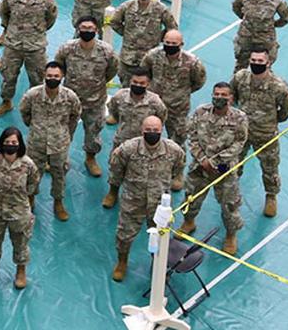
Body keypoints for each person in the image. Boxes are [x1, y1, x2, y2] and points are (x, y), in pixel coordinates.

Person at [107, 116, 184, 281]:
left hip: (159, 204)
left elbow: (178, 168)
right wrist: (116, 187)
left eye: (156, 130)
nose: (152, 133)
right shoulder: (128, 148)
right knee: (124, 235)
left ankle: (159, 264)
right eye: (148, 130)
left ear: (161, 130)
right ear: (142, 130)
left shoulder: (173, 150)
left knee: (162, 236)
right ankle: (122, 262)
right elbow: (116, 167)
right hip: (133, 199)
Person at [178, 82, 249, 255]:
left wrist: (215, 162)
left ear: (231, 98)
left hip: (224, 168)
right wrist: (203, 160)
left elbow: (239, 143)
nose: (219, 97)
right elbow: (192, 136)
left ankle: (231, 235)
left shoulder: (239, 118)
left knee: (229, 204)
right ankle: (189, 222)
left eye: (224, 95)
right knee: (191, 197)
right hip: (199, 166)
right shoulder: (200, 112)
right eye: (216, 94)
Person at [231, 48, 288, 217]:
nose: (256, 64)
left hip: (266, 133)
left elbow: (287, 107)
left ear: (268, 63)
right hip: (242, 131)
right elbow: (233, 95)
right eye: (254, 60)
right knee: (234, 163)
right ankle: (230, 192)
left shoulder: (278, 86)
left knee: (270, 167)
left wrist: (273, 121)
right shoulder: (241, 77)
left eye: (260, 62)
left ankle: (271, 196)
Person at [141, 29, 206, 190]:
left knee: (177, 140)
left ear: (181, 45)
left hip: (178, 108)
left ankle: (177, 173)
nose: (169, 46)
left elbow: (198, 82)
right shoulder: (153, 55)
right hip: (154, 105)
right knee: (146, 136)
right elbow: (145, 73)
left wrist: (181, 93)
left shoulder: (192, 62)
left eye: (173, 44)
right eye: (167, 43)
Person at [55, 16, 119, 178]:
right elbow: (59, 67)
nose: (87, 31)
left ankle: (90, 159)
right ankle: (60, 159)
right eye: (83, 28)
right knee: (63, 131)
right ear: (77, 29)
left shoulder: (106, 52)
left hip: (95, 101)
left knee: (93, 133)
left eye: (91, 28)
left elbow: (111, 71)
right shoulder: (67, 49)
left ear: (97, 30)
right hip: (70, 100)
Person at [19, 61, 81, 221]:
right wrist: (35, 128)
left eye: (56, 76)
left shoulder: (70, 97)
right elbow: (24, 113)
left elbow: (75, 117)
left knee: (59, 173)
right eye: (49, 76)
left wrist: (66, 134)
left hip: (59, 144)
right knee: (33, 173)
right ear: (44, 76)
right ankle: (30, 198)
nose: (52, 79)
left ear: (62, 77)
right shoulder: (32, 95)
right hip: (36, 142)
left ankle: (58, 202)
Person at [0, 127, 39, 289]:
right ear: (1, 143)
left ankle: (20, 271)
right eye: (7, 142)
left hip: (18, 212)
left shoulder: (28, 165)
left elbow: (33, 184)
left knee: (20, 242)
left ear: (20, 144)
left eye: (14, 142)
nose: (10, 145)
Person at [0, 0, 58, 117]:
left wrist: (38, 32)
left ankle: (35, 106)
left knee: (37, 78)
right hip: (13, 45)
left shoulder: (46, 0)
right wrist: (10, 29)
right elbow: (3, 14)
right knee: (8, 76)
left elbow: (51, 19)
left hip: (35, 47)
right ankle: (6, 102)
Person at [110, 0, 177, 86]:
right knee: (126, 89)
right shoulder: (127, 6)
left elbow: (172, 28)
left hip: (151, 59)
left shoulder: (160, 9)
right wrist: (127, 34)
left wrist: (158, 38)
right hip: (128, 58)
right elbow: (114, 22)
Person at [232, 0, 288, 71]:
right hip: (246, 37)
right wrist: (243, 17)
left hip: (265, 39)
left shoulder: (276, 1)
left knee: (265, 67)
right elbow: (236, 6)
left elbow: (286, 18)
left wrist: (273, 24)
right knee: (240, 65)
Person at [106, 68, 167, 153]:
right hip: (122, 141)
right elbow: (114, 112)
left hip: (144, 144)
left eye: (142, 83)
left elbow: (161, 119)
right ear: (130, 81)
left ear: (148, 84)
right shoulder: (119, 97)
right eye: (135, 82)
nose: (138, 85)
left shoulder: (155, 102)